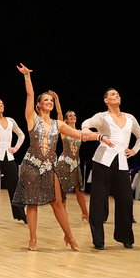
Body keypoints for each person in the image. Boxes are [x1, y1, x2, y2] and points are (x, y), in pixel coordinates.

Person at [12, 65, 105, 251]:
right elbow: (30, 95)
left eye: (51, 100)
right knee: (32, 203)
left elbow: (80, 135)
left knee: (57, 202)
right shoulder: (32, 118)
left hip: (49, 166)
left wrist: (100, 137)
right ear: (39, 104)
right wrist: (27, 76)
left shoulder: (59, 124)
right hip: (31, 164)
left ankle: (69, 237)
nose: (49, 102)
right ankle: (33, 239)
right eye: (45, 100)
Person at [81, 88, 140, 250]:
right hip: (102, 160)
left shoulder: (130, 118)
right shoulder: (102, 117)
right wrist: (87, 131)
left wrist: (134, 150)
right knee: (98, 200)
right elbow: (86, 123)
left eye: (117, 94)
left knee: (126, 200)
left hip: (122, 162)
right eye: (112, 94)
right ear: (106, 100)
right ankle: (98, 240)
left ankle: (125, 237)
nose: (116, 95)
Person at [52, 94, 90, 222]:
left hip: (75, 164)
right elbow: (59, 114)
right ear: (66, 120)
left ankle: (85, 214)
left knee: (79, 191)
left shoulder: (80, 132)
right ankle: (64, 217)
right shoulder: (64, 131)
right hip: (64, 164)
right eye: (70, 116)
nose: (73, 117)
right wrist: (56, 99)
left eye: (74, 115)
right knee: (63, 192)